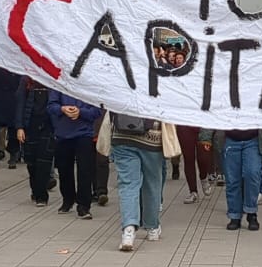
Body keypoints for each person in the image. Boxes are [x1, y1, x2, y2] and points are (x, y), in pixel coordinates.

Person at [106, 110, 173, 250]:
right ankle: (152, 228)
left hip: (121, 134)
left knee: (128, 184)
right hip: (152, 138)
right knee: (152, 183)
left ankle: (128, 230)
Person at [47, 90, 103, 218]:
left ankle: (84, 206)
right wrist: (62, 109)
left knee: (85, 170)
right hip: (62, 134)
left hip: (84, 134)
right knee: (64, 169)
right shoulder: (59, 84)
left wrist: (81, 112)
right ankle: (68, 199)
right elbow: (51, 106)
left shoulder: (89, 83)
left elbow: (97, 110)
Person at [208, 127, 262, 231]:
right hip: (230, 139)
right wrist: (205, 136)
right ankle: (234, 215)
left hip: (253, 139)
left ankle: (251, 212)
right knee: (232, 180)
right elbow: (214, 111)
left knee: (252, 173)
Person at [16, 78, 57, 206]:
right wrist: (19, 127)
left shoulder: (52, 80)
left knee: (44, 163)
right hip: (30, 126)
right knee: (31, 162)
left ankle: (42, 196)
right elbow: (20, 103)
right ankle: (35, 190)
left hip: (48, 127)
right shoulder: (26, 80)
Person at [174, 124, 205, 203]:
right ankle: (193, 192)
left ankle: (204, 177)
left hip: (202, 123)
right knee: (188, 158)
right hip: (184, 123)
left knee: (203, 157)